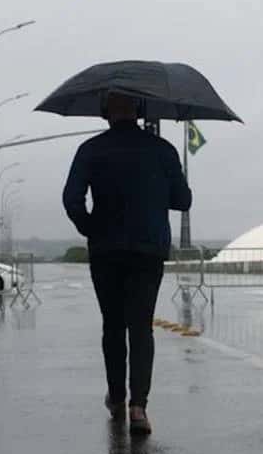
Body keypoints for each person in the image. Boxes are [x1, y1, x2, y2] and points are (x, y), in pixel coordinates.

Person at [62, 91, 191, 434]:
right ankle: (139, 408)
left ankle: (116, 397)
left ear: (105, 113)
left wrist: (91, 228)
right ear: (139, 110)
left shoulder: (91, 149)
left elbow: (71, 198)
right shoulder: (162, 150)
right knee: (141, 326)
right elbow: (183, 200)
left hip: (106, 250)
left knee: (113, 325)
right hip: (148, 250)